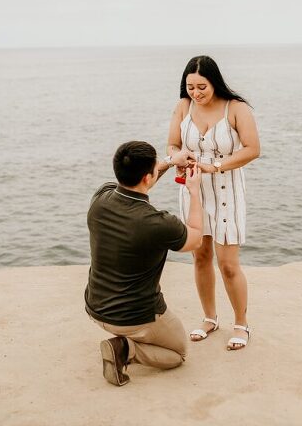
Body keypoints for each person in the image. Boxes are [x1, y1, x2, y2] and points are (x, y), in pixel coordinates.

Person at [84, 141, 203, 386]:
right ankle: (126, 349)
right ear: (148, 177)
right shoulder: (158, 223)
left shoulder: (100, 199)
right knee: (178, 354)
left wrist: (171, 161)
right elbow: (195, 239)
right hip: (135, 317)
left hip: (95, 307)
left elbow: (136, 187)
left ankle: (124, 340)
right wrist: (194, 191)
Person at [166, 55, 260, 351]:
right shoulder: (183, 107)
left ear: (214, 82)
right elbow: (171, 144)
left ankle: (241, 323)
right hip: (193, 190)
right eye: (190, 86)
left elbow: (253, 149)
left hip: (227, 190)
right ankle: (209, 318)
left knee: (229, 264)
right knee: (200, 256)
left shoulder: (237, 108)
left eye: (201, 87)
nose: (196, 93)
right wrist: (178, 158)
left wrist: (216, 166)